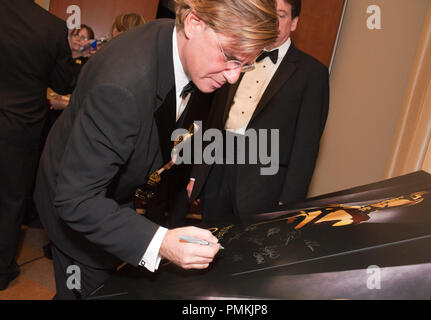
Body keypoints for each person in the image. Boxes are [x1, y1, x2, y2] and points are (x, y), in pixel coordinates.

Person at [33, 0, 279, 299]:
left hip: (112, 195)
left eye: (245, 64)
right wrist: (160, 242)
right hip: (75, 199)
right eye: (229, 57)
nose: (233, 76)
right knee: (91, 288)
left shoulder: (182, 46)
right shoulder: (123, 85)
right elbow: (77, 200)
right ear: (193, 23)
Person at [187, 0, 330, 222]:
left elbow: (307, 145)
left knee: (247, 251)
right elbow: (213, 117)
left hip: (264, 182)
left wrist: (290, 202)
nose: (272, 22)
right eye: (269, 15)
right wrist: (197, 174)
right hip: (217, 168)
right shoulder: (235, 51)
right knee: (208, 240)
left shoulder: (312, 73)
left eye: (281, 16)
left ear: (294, 23)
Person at [0, 0, 75, 291]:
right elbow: (64, 82)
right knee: (9, 200)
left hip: (18, 125)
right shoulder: (51, 26)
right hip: (19, 127)